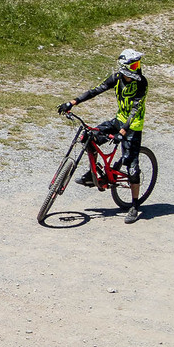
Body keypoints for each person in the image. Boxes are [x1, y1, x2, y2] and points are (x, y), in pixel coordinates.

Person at [62, 47, 149, 221]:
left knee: (132, 168)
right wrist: (72, 102)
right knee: (89, 137)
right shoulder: (117, 78)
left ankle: (134, 206)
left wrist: (122, 132)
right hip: (118, 120)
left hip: (133, 126)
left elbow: (135, 109)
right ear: (124, 67)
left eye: (138, 65)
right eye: (134, 66)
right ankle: (92, 174)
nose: (137, 68)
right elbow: (95, 90)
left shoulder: (141, 83)